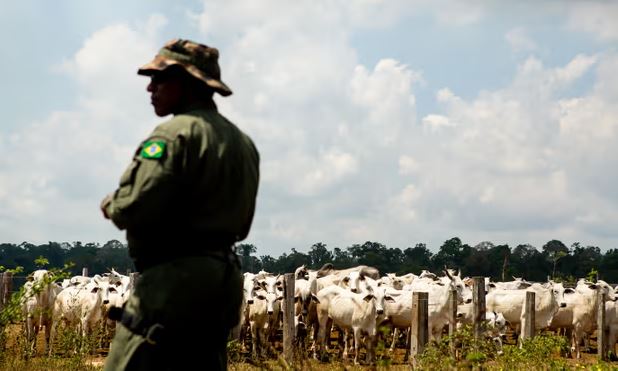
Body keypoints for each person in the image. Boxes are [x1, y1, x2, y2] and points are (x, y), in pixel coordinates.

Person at [101, 38, 260, 371]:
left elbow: (131, 206)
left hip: (172, 284)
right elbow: (242, 222)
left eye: (160, 79)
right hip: (222, 283)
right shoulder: (242, 143)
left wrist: (111, 203)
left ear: (186, 82)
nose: (150, 88)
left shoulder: (174, 134)